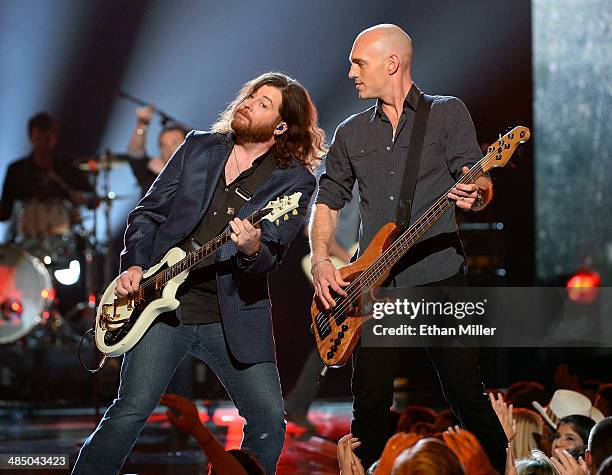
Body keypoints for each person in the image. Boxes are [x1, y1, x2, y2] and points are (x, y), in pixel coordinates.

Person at [72, 72, 325, 475]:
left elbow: (272, 253)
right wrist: (135, 263)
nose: (248, 104)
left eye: (263, 103)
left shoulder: (293, 180)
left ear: (281, 126)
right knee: (129, 411)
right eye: (250, 96)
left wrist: (252, 246)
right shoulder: (199, 148)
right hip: (161, 308)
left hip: (232, 314)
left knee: (268, 422)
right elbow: (148, 214)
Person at [309, 24, 505, 471]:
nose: (351, 72)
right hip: (375, 287)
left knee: (465, 395)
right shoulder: (350, 132)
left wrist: (478, 193)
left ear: (391, 63)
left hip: (439, 275)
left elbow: (476, 177)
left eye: (359, 63)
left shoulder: (447, 113)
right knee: (370, 403)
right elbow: (328, 198)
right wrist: (322, 260)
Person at [0, 112, 95, 232]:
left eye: (47, 139)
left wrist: (85, 198)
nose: (43, 144)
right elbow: (4, 214)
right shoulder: (16, 170)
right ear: (30, 137)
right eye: (39, 139)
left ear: (55, 137)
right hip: (24, 243)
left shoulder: (70, 166)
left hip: (65, 239)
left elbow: (92, 200)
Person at [126, 105, 188, 194]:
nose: (169, 149)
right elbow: (135, 152)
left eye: (175, 143)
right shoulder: (151, 171)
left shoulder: (199, 173)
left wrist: (167, 174)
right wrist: (142, 124)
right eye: (164, 145)